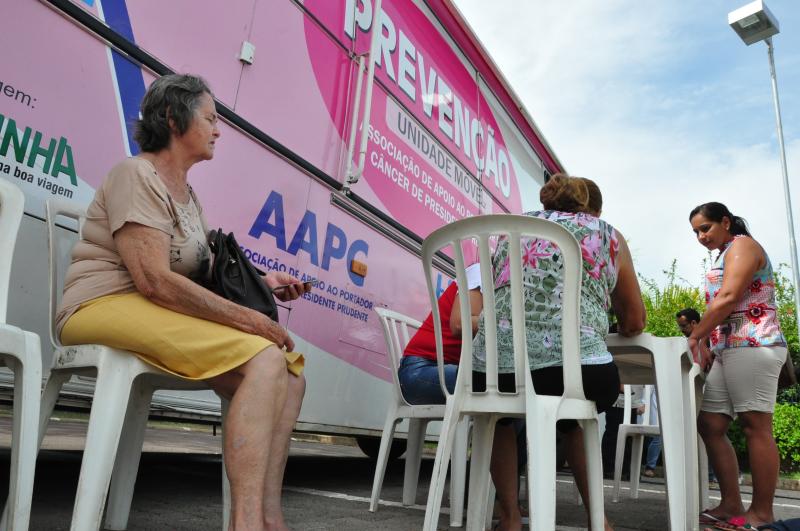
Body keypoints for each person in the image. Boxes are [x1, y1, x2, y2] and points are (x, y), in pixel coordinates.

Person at [56, 74, 309, 531]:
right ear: (173, 118)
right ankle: (246, 524)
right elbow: (153, 280)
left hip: (147, 308)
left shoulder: (189, 197)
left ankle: (270, 518)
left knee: (291, 373)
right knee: (264, 356)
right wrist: (251, 320)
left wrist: (264, 284)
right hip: (100, 304)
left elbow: (205, 273)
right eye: (210, 118)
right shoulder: (136, 174)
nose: (218, 130)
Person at [471, 174, 646, 531]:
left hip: (496, 368)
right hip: (579, 372)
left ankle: (508, 517)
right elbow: (634, 320)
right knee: (575, 416)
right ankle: (599, 520)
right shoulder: (606, 234)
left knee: (499, 418)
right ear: (589, 208)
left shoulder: (508, 231)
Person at [688, 202, 787, 530]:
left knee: (755, 427)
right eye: (696, 232)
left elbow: (729, 297)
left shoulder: (743, 245)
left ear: (726, 222)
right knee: (711, 425)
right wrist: (712, 343)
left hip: (755, 344)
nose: (701, 236)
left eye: (706, 228)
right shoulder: (725, 252)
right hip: (730, 348)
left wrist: (697, 337)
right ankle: (731, 503)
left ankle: (761, 515)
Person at [398, 263, 482, 403]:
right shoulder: (482, 272)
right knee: (499, 385)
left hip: (444, 370)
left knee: (514, 386)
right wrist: (505, 323)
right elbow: (459, 324)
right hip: (419, 370)